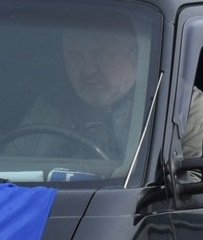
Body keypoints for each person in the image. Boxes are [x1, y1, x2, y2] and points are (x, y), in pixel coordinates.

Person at [19, 19, 155, 161]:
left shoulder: (161, 107)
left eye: (101, 54)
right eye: (76, 57)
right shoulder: (47, 108)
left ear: (134, 55)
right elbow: (11, 168)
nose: (89, 70)